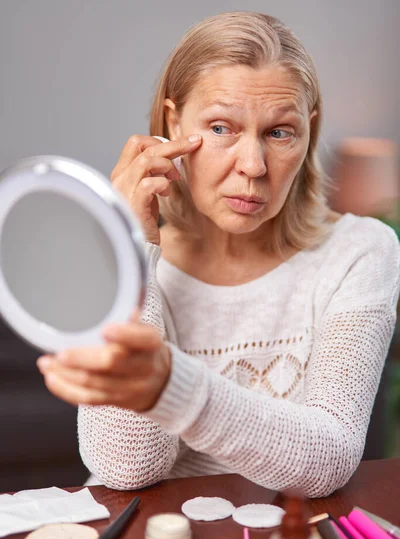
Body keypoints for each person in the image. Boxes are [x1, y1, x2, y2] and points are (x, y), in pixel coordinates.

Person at [37, 12, 400, 497]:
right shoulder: (130, 262)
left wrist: (172, 387)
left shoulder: (360, 252)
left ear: (309, 130)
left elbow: (327, 460)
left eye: (279, 132)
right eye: (222, 127)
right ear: (173, 122)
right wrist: (128, 254)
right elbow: (128, 468)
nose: (252, 167)